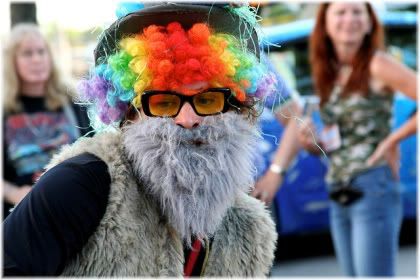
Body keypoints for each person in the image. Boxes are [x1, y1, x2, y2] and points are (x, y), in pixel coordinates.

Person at [3, 3, 278, 277]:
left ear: (238, 109)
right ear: (130, 114)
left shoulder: (250, 231)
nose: (187, 119)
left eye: (207, 100)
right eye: (163, 102)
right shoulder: (84, 184)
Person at [297, 2, 417, 276]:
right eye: (341, 12)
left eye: (357, 12)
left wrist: (392, 140)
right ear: (325, 23)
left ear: (369, 22)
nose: (349, 19)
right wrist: (312, 143)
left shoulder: (377, 63)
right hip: (338, 188)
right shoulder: (330, 70)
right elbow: (339, 139)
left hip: (373, 185)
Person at [2, 23, 91, 219]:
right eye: (27, 53)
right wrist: (14, 193)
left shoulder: (73, 101)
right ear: (11, 62)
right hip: (25, 217)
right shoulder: (5, 113)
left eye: (42, 51)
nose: (37, 59)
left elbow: (94, 151)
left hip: (75, 209)